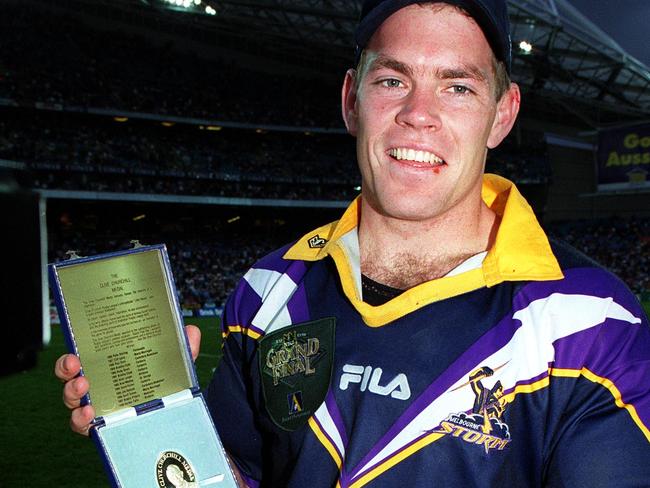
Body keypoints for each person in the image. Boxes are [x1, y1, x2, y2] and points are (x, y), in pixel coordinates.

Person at [56, 0, 650, 486]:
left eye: (457, 88)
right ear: (351, 99)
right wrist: (157, 424)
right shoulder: (268, 293)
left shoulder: (588, 323)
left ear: (502, 114)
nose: (419, 114)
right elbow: (239, 477)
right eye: (393, 80)